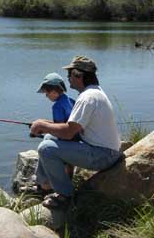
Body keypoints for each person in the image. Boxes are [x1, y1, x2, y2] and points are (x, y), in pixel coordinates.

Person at [30, 56, 121, 209]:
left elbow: (68, 133)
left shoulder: (87, 98)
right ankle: (45, 183)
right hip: (104, 150)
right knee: (49, 136)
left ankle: (65, 195)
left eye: (70, 74)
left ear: (79, 75)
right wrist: (45, 126)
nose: (68, 78)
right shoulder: (93, 93)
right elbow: (70, 127)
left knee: (46, 149)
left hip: (103, 155)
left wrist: (42, 124)